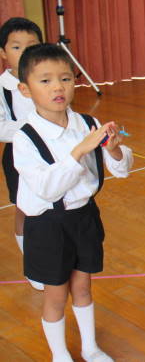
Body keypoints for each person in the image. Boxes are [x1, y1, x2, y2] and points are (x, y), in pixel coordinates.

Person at [14, 43, 133, 362]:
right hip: (48, 226)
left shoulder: (87, 123)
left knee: (83, 287)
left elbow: (121, 169)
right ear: (25, 89)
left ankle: (90, 347)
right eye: (45, 80)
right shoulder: (25, 138)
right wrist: (79, 150)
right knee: (55, 295)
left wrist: (115, 149)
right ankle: (60, 354)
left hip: (84, 218)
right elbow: (47, 188)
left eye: (65, 78)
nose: (58, 87)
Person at [0, 17, 44, 290]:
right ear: (3, 53)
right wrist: (32, 128)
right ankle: (33, 264)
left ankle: (49, 257)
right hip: (18, 156)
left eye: (32, 45)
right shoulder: (3, 88)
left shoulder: (45, 80)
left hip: (50, 154)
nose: (25, 52)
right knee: (25, 209)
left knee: (48, 207)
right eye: (17, 47)